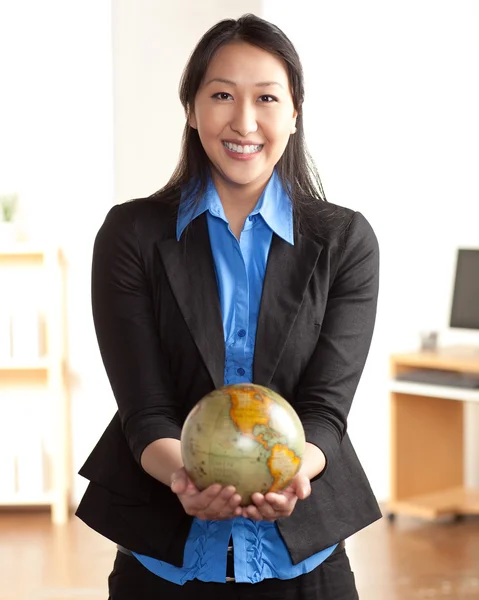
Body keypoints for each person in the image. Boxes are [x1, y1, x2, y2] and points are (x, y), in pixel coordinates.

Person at [76, 13, 381, 600]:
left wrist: (297, 470)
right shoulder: (130, 235)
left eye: (267, 97)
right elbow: (146, 409)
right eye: (221, 95)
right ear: (192, 109)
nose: (244, 122)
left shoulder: (346, 241)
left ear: (294, 114)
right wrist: (182, 478)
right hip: (163, 566)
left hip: (304, 567)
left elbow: (325, 409)